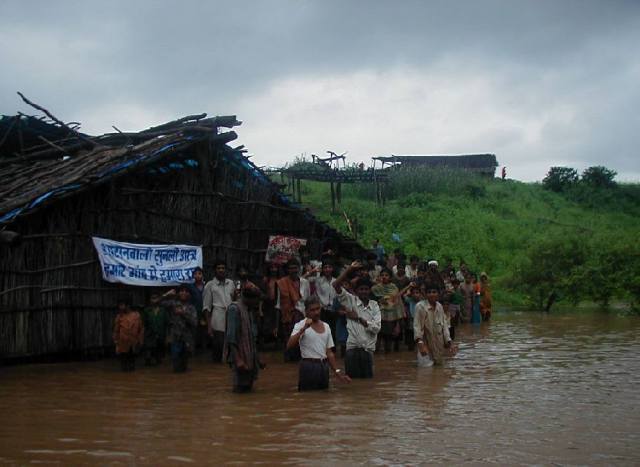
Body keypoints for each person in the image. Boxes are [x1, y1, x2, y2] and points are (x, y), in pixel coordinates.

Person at [288, 296, 350, 391]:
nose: (316, 312)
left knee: (324, 397)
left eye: (318, 309)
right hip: (308, 366)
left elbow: (329, 352)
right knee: (307, 398)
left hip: (323, 367)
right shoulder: (300, 325)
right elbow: (289, 345)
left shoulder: (326, 326)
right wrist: (303, 329)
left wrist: (337, 372)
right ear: (306, 311)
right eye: (312, 310)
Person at [334, 261, 382, 378]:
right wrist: (349, 269)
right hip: (352, 349)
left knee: (367, 384)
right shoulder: (351, 301)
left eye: (366, 289)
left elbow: (377, 328)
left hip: (368, 351)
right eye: (361, 289)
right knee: (353, 385)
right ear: (356, 291)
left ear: (370, 290)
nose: (364, 291)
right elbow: (336, 285)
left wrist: (359, 319)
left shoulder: (374, 305)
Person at [224, 285, 262, 393]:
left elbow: (252, 337)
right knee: (240, 389)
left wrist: (257, 359)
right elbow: (231, 337)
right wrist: (238, 360)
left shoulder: (248, 310)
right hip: (240, 356)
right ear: (249, 299)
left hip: (249, 356)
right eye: (256, 300)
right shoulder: (234, 309)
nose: (257, 303)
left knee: (248, 389)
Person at [276, 259, 310, 361]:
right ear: (287, 270)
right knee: (289, 339)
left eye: (295, 268)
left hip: (302, 315)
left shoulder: (305, 283)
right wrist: (276, 324)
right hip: (288, 316)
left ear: (299, 269)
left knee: (302, 339)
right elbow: (278, 304)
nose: (293, 270)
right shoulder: (282, 283)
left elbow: (307, 301)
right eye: (291, 268)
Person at [203, 259, 235, 363]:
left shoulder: (231, 283)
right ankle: (216, 367)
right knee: (218, 344)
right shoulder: (210, 285)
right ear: (215, 270)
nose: (221, 270)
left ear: (226, 270)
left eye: (223, 268)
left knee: (231, 342)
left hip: (231, 315)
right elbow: (206, 307)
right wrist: (209, 326)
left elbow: (235, 300)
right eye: (218, 268)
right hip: (217, 315)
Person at [414, 284, 454, 366]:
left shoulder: (439, 306)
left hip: (438, 343)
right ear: (425, 294)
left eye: (434, 292)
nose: (432, 294)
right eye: (429, 292)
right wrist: (420, 343)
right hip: (425, 343)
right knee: (425, 371)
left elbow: (444, 326)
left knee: (438, 371)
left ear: (438, 294)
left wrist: (449, 342)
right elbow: (417, 326)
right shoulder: (420, 307)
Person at [165, 285, 198, 372]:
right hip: (175, 337)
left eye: (186, 291)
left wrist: (183, 313)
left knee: (184, 366)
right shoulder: (173, 304)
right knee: (176, 364)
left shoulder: (192, 308)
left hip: (187, 339)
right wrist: (166, 295)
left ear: (189, 294)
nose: (184, 293)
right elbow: (157, 303)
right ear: (178, 293)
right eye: (182, 291)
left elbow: (194, 322)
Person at [371, 268, 404, 352]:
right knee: (376, 337)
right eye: (382, 275)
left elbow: (398, 304)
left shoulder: (394, 288)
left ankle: (387, 357)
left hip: (391, 317)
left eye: (386, 275)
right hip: (377, 316)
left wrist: (398, 322)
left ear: (390, 277)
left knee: (388, 338)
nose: (384, 277)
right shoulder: (375, 288)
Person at [113, 298, 144, 372]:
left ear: (128, 306)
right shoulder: (119, 317)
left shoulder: (136, 315)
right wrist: (116, 342)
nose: (120, 307)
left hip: (133, 341)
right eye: (119, 305)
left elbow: (141, 329)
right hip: (122, 342)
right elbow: (116, 330)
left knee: (132, 361)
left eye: (122, 305)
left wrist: (140, 340)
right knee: (123, 362)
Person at [142, 292, 168, 366]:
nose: (154, 300)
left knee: (159, 354)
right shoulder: (146, 310)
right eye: (152, 298)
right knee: (148, 353)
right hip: (149, 335)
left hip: (161, 334)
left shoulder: (163, 310)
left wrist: (167, 336)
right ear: (150, 300)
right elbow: (144, 323)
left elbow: (167, 323)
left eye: (156, 298)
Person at [187, 267, 206, 353]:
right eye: (195, 274)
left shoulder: (206, 287)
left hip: (205, 313)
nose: (197, 276)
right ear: (193, 276)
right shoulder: (191, 287)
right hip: (194, 313)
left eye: (199, 274)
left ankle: (203, 351)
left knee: (204, 334)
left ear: (202, 275)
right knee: (193, 333)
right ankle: (192, 351)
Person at [401, 283, 421, 351]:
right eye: (414, 293)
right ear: (411, 294)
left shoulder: (423, 302)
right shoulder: (409, 300)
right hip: (410, 322)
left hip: (420, 323)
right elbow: (402, 295)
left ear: (420, 294)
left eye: (417, 293)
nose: (415, 294)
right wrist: (408, 287)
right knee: (411, 343)